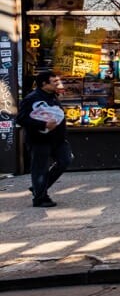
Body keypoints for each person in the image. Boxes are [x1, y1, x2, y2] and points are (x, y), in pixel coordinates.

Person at [16, 70, 73, 207]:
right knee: (40, 168)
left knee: (65, 160)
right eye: (54, 82)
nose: (57, 84)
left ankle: (39, 187)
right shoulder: (31, 98)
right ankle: (40, 198)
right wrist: (43, 124)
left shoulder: (53, 96)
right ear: (44, 83)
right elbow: (21, 119)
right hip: (39, 139)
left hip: (58, 139)